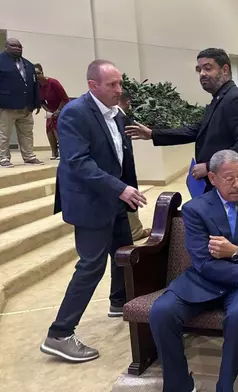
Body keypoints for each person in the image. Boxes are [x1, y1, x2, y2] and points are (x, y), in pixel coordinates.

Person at [150, 150, 238, 392]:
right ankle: (178, 384)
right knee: (161, 312)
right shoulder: (196, 209)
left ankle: (225, 385)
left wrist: (236, 252)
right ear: (212, 178)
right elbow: (204, 263)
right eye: (229, 178)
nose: (237, 184)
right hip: (204, 280)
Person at [41, 59, 144, 361]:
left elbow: (119, 156)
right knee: (91, 265)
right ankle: (59, 333)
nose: (119, 90)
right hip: (89, 202)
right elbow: (78, 163)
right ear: (92, 86)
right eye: (112, 85)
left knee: (124, 252)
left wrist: (126, 191)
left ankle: (118, 300)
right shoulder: (74, 113)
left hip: (114, 200)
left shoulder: (116, 114)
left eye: (120, 83)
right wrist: (120, 189)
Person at [125, 48, 238, 192]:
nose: (202, 74)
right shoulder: (220, 99)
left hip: (232, 188)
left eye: (207, 68)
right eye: (199, 70)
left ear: (225, 70)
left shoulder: (236, 99)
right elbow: (195, 130)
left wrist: (209, 167)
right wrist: (153, 134)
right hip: (219, 185)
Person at [0, 38, 44, 167]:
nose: (17, 48)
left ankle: (29, 156)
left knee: (27, 132)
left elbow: (34, 84)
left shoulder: (28, 65)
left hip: (26, 105)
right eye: (13, 46)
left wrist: (37, 103)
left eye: (19, 46)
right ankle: (3, 158)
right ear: (6, 46)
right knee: (4, 133)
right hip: (6, 105)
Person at [115, 90, 151, 241]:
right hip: (123, 170)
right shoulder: (120, 117)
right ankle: (135, 231)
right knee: (130, 197)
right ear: (127, 101)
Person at [34, 63, 70, 160]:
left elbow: (65, 99)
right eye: (34, 74)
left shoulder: (53, 82)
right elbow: (41, 101)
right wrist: (49, 111)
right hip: (51, 109)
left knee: (57, 128)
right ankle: (54, 152)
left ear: (42, 72)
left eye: (38, 73)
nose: (37, 76)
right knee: (49, 128)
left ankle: (63, 152)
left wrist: (58, 111)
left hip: (63, 107)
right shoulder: (36, 86)